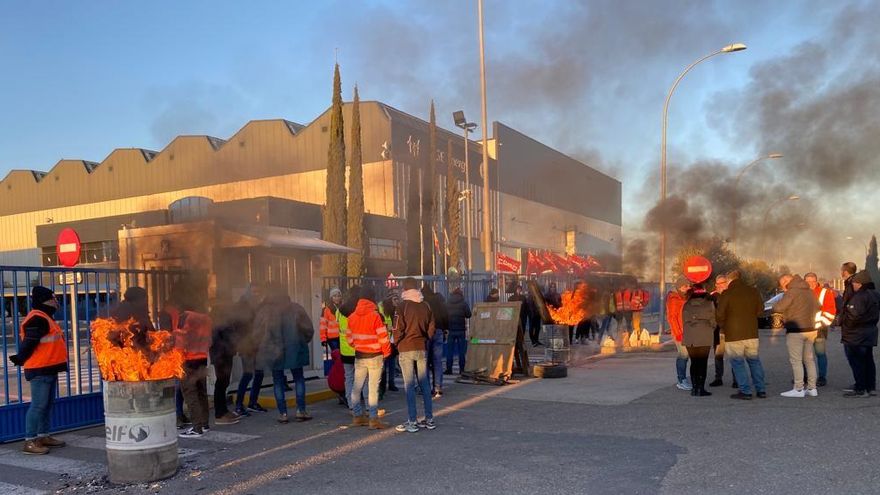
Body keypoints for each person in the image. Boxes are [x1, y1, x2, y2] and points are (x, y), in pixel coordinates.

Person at [9, 286, 68, 455]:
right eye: (53, 298)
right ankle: (30, 440)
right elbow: (30, 342)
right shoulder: (37, 318)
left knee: (47, 405)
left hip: (49, 367)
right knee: (38, 405)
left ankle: (43, 436)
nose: (56, 302)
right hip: (40, 369)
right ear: (45, 300)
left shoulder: (46, 317)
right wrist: (20, 357)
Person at [255, 287, 314, 424]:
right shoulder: (296, 309)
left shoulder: (267, 312)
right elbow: (308, 329)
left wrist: (264, 346)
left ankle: (283, 413)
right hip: (295, 348)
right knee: (299, 378)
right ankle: (301, 410)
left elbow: (257, 332)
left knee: (278, 382)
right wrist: (301, 341)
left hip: (275, 350)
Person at [393, 278, 437, 433]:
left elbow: (398, 328)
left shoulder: (402, 306)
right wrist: (426, 338)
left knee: (409, 385)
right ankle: (429, 419)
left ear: (404, 289)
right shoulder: (425, 305)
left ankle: (412, 421)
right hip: (421, 347)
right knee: (424, 384)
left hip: (406, 348)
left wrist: (397, 343)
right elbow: (432, 326)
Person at [346, 287, 392, 429]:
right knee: (372, 388)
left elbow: (349, 339)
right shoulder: (375, 316)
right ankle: (373, 419)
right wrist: (387, 353)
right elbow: (383, 338)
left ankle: (357, 416)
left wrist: (359, 345)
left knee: (356, 387)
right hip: (375, 356)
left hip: (360, 356)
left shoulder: (352, 317)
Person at [716, 270, 766, 400]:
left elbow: (720, 314)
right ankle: (761, 390)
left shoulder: (727, 294)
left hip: (733, 334)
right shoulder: (753, 291)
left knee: (738, 363)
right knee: (754, 361)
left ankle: (746, 391)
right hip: (752, 333)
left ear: (729, 280)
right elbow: (761, 312)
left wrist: (723, 326)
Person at [772, 274, 820, 398]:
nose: (782, 287)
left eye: (782, 284)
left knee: (796, 360)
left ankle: (798, 389)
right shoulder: (809, 291)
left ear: (786, 281)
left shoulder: (791, 292)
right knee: (809, 360)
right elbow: (818, 307)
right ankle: (812, 388)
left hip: (796, 330)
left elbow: (778, 307)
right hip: (811, 329)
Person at [175, 297, 213, 437]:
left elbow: (180, 338)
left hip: (188, 360)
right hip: (202, 358)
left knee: (190, 394)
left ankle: (197, 428)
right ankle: (205, 424)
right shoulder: (207, 318)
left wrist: (176, 358)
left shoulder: (185, 317)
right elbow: (209, 340)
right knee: (202, 392)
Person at [840, 270, 879, 398]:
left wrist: (845, 325)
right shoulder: (875, 294)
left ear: (860, 284)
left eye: (855, 283)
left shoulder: (859, 296)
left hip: (856, 334)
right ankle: (870, 387)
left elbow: (853, 316)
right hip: (870, 331)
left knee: (856, 361)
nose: (853, 285)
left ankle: (860, 388)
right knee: (868, 360)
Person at [233, 284, 268, 416]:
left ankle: (252, 402)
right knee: (248, 374)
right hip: (246, 345)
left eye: (258, 292)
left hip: (257, 345)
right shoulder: (242, 307)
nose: (257, 294)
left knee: (259, 373)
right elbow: (238, 327)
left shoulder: (258, 306)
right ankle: (238, 405)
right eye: (254, 292)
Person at [209, 297, 242, 425]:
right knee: (221, 383)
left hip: (224, 354)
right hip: (221, 355)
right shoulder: (218, 319)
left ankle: (223, 410)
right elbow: (221, 338)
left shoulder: (223, 318)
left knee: (224, 382)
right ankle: (219, 413)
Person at [682, 283, 716, 397]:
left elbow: (683, 320)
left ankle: (694, 388)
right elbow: (714, 321)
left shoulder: (686, 305)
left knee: (694, 363)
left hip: (690, 338)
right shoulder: (709, 303)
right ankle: (700, 388)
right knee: (702, 363)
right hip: (704, 337)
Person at [805, 272, 836, 387]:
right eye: (808, 282)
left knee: (820, 354)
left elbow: (830, 310)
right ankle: (804, 376)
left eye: (813, 281)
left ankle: (822, 377)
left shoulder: (825, 292)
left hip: (819, 329)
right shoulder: (802, 293)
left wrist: (821, 324)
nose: (811, 284)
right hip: (804, 329)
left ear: (816, 281)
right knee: (805, 355)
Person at [422, 284, 448, 399]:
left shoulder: (422, 303)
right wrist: (446, 328)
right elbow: (446, 315)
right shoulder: (439, 301)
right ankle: (438, 387)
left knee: (425, 362)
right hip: (439, 331)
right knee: (437, 361)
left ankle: (426, 388)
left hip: (426, 333)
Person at [110, 286, 155, 352]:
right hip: (130, 353)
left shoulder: (141, 312)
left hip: (140, 352)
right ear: (136, 300)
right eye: (144, 298)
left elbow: (152, 333)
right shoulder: (126, 313)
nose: (146, 301)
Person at [338, 286, 361, 410]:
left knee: (349, 377)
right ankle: (358, 400)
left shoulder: (340, 311)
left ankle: (350, 402)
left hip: (345, 349)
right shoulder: (358, 311)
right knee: (361, 377)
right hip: (358, 348)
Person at [666, 278, 691, 391]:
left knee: (686, 356)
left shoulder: (684, 297)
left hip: (687, 331)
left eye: (688, 286)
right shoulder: (674, 299)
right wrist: (678, 333)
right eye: (685, 286)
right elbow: (672, 318)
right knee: (683, 355)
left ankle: (683, 379)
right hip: (680, 333)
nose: (687, 288)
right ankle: (681, 380)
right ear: (679, 287)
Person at [708, 275, 731, 387]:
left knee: (734, 356)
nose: (720, 285)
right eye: (718, 284)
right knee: (718, 356)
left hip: (732, 330)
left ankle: (737, 379)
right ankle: (718, 378)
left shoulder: (732, 295)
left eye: (722, 283)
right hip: (718, 331)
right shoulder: (712, 296)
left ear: (727, 283)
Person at [445, 287, 472, 375]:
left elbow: (444, 315)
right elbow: (469, 315)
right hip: (461, 330)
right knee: (461, 351)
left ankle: (449, 369)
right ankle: (462, 369)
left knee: (450, 351)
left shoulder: (447, 303)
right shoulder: (463, 303)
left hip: (451, 330)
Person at [378, 291, 399, 398]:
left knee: (391, 363)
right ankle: (382, 387)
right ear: (390, 300)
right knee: (383, 366)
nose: (397, 301)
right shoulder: (382, 310)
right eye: (395, 299)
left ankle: (391, 383)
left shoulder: (395, 310)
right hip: (384, 340)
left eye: (397, 299)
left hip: (392, 340)